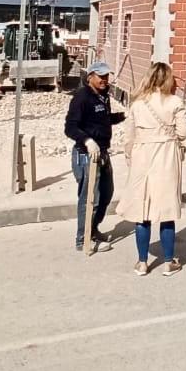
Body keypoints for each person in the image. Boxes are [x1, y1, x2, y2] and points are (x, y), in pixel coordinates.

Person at [117, 61, 186, 276]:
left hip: (142, 156)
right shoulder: (174, 101)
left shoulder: (137, 103)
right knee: (166, 210)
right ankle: (168, 262)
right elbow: (184, 132)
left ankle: (142, 263)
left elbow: (129, 136)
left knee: (142, 211)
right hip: (166, 156)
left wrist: (130, 157)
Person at [64, 60, 125, 253]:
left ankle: (93, 229)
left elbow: (104, 119)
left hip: (103, 152)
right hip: (86, 155)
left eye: (106, 76)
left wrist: (123, 116)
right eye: (101, 76)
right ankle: (83, 239)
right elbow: (70, 127)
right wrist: (87, 140)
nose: (104, 80)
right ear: (90, 77)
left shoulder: (103, 96)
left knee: (106, 193)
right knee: (91, 198)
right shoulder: (82, 97)